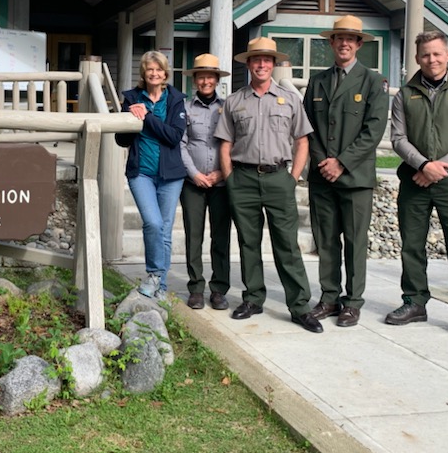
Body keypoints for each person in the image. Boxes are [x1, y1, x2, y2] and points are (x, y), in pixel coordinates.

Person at [215, 37, 322, 333]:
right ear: (248, 63)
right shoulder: (235, 101)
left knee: (286, 244)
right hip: (244, 179)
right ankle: (253, 298)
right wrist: (231, 179)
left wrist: (293, 178)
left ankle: (299, 306)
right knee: (248, 242)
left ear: (273, 64)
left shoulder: (289, 99)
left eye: (267, 59)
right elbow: (225, 144)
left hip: (279, 178)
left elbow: (302, 142)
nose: (262, 64)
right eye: (256, 59)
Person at [387, 31, 448, 342]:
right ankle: (414, 302)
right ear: (417, 58)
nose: (431, 59)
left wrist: (439, 167)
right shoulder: (404, 94)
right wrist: (422, 165)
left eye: (436, 53)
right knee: (411, 246)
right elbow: (398, 139)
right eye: (425, 55)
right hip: (414, 180)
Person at [303, 15, 388, 328]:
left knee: (354, 241)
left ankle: (352, 302)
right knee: (325, 240)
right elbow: (306, 126)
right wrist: (322, 162)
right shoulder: (318, 81)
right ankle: (329, 297)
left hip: (355, 178)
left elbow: (373, 130)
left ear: (359, 44)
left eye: (351, 39)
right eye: (339, 38)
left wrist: (341, 162)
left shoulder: (373, 81)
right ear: (331, 42)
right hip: (322, 177)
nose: (344, 43)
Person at [115, 50, 187, 302]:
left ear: (165, 73)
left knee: (165, 230)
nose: (154, 73)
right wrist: (128, 117)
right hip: (141, 172)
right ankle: (155, 274)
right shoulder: (132, 98)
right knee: (153, 223)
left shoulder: (176, 99)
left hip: (171, 175)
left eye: (159, 69)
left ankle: (161, 285)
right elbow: (121, 140)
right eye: (149, 69)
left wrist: (147, 117)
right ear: (143, 74)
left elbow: (173, 136)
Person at [179, 54, 232, 310]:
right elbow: (181, 144)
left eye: (210, 76)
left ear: (217, 79)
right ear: (195, 80)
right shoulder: (186, 108)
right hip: (194, 182)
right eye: (201, 76)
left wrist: (222, 172)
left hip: (222, 183)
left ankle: (219, 289)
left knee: (220, 236)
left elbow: (236, 142)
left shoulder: (229, 107)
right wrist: (194, 174)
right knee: (194, 235)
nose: (206, 80)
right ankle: (196, 287)